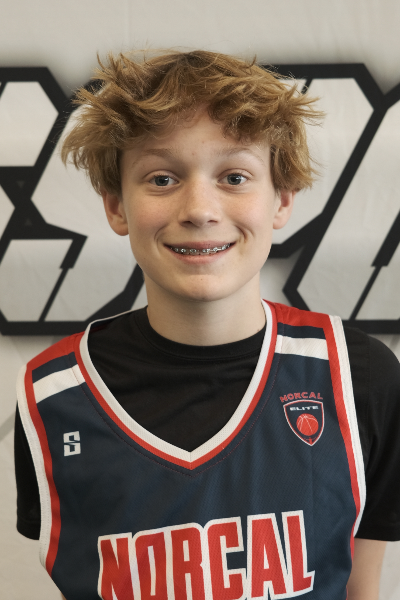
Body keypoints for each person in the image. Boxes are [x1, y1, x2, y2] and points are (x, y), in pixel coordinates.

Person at [14, 50, 400, 600]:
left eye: (235, 176)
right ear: (117, 206)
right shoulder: (53, 394)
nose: (199, 208)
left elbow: (361, 586)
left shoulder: (358, 377)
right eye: (162, 178)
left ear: (281, 199)